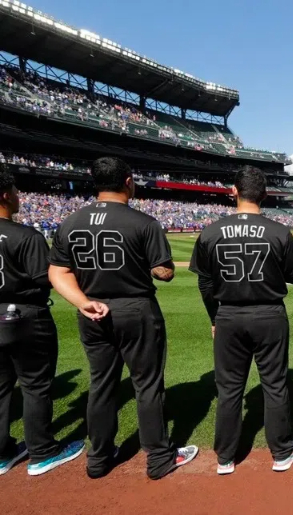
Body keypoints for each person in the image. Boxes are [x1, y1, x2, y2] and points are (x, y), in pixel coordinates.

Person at [48, 157, 198, 480]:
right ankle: (159, 458)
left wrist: (83, 302)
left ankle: (98, 459)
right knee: (147, 384)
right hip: (136, 310)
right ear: (128, 182)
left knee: (101, 384)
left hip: (92, 312)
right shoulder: (143, 222)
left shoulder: (70, 222)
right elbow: (165, 272)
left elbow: (57, 272)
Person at [189, 166, 293, 475]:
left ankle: (225, 458)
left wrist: (214, 317)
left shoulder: (211, 231)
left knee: (229, 388)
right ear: (264, 195)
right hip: (269, 314)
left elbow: (204, 283)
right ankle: (282, 453)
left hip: (227, 315)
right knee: (276, 384)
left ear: (234, 191)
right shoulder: (279, 231)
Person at [0, 167, 84, 476]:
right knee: (36, 385)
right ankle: (42, 451)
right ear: (7, 194)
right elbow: (45, 279)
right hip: (24, 316)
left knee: (0, 387)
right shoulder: (26, 235)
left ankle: (2, 454)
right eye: (16, 191)